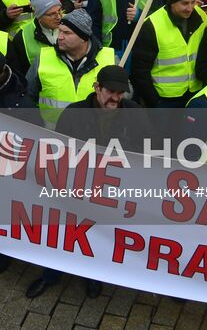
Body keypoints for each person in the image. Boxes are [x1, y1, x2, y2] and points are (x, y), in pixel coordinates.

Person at [26, 64, 135, 300]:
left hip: (109, 190)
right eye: (109, 92)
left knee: (97, 234)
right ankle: (51, 274)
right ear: (97, 87)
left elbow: (147, 148)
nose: (115, 98)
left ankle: (92, 275)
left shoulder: (134, 114)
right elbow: (59, 152)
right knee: (63, 232)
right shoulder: (74, 113)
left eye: (120, 93)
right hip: (75, 186)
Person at [27, 9, 116, 128]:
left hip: (95, 135)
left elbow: (125, 96)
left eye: (67, 33)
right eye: (60, 31)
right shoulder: (43, 58)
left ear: (83, 38)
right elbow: (27, 96)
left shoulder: (110, 59)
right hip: (53, 135)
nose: (60, 37)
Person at [129, 0, 206, 108]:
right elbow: (140, 70)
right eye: (185, 3)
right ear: (172, 2)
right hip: (165, 100)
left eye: (193, 2)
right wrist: (153, 101)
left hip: (194, 93)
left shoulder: (201, 17)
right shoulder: (152, 25)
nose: (190, 8)